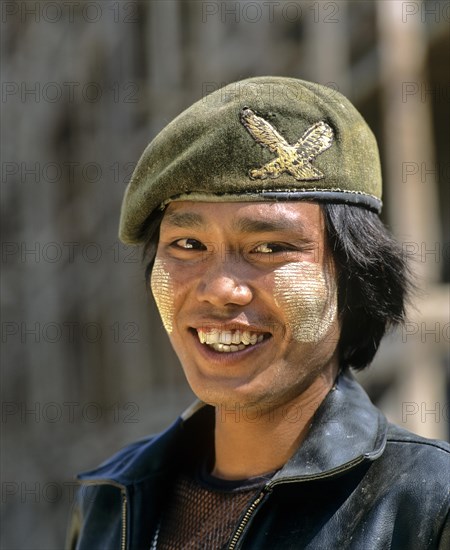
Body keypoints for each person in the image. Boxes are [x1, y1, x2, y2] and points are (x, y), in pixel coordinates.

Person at [66, 77, 449, 549]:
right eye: (188, 245)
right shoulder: (110, 499)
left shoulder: (430, 503)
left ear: (357, 278)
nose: (220, 290)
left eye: (269, 247)